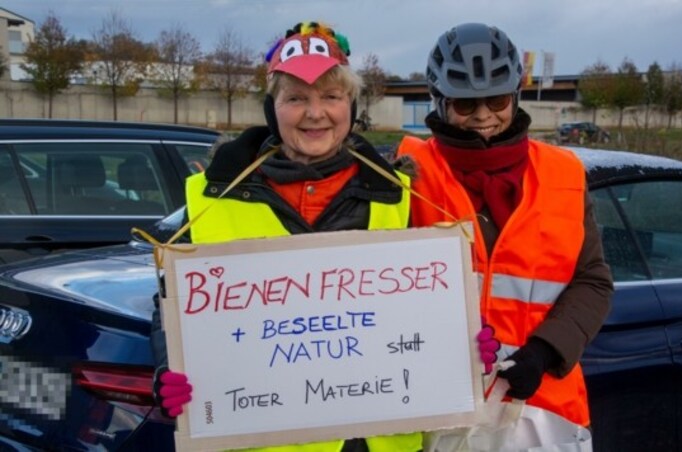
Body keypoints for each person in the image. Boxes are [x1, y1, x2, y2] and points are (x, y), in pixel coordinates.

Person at [149, 21, 431, 452]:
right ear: (272, 108)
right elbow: (170, 304)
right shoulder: (212, 196)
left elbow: (427, 307)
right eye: (296, 97)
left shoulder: (397, 193)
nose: (315, 113)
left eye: (331, 97)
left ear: (350, 106)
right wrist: (169, 367)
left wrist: (462, 345)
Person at [395, 23, 613, 451]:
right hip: (439, 409)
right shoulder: (406, 174)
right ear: (440, 102)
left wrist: (545, 352)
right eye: (465, 104)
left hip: (544, 408)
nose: (482, 117)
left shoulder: (564, 174)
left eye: (496, 100)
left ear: (514, 97)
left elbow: (593, 280)